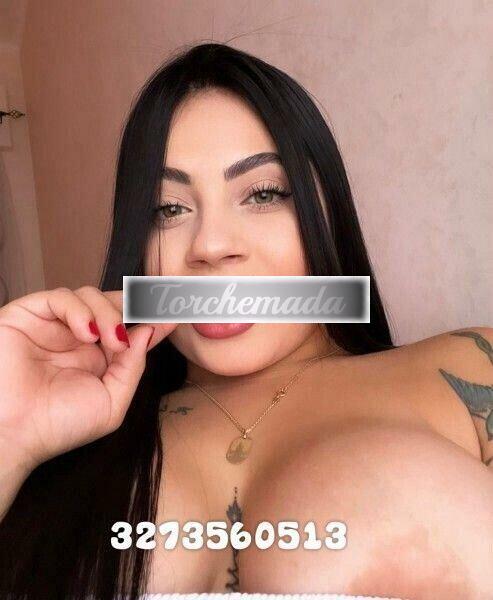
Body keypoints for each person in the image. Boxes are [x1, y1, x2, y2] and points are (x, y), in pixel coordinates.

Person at [0, 42, 491, 600]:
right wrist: (10, 433)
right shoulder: (65, 435)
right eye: (168, 208)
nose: (210, 246)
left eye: (263, 194)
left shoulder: (471, 368)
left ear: (326, 212)